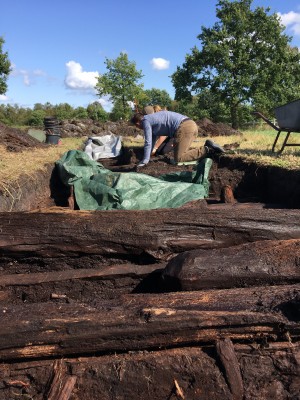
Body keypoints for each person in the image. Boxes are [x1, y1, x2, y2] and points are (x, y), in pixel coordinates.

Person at [130, 110, 225, 168]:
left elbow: (148, 142)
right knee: (180, 154)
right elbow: (152, 141)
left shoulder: (145, 121)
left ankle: (207, 149)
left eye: (137, 126)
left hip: (185, 128)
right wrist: (149, 155)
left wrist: (145, 161)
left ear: (138, 123)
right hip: (188, 125)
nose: (138, 128)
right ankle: (207, 149)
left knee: (179, 158)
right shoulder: (150, 120)